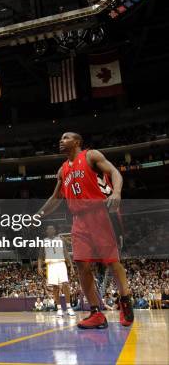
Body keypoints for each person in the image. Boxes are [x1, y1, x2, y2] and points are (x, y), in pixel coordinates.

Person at [37, 132, 134, 329]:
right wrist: (39, 214)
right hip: (78, 220)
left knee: (113, 263)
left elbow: (115, 172)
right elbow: (56, 198)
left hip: (100, 213)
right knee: (81, 266)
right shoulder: (62, 170)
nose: (61, 140)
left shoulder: (91, 156)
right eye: (60, 137)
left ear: (77, 142)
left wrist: (116, 192)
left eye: (65, 137)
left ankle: (125, 302)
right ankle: (96, 313)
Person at [37, 225, 75, 317]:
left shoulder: (60, 240)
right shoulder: (44, 241)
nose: (50, 230)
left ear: (54, 230)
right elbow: (40, 256)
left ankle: (69, 307)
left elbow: (66, 253)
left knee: (65, 284)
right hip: (51, 265)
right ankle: (59, 309)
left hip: (61, 263)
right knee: (55, 287)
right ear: (46, 231)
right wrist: (39, 267)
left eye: (52, 228)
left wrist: (71, 266)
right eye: (48, 229)